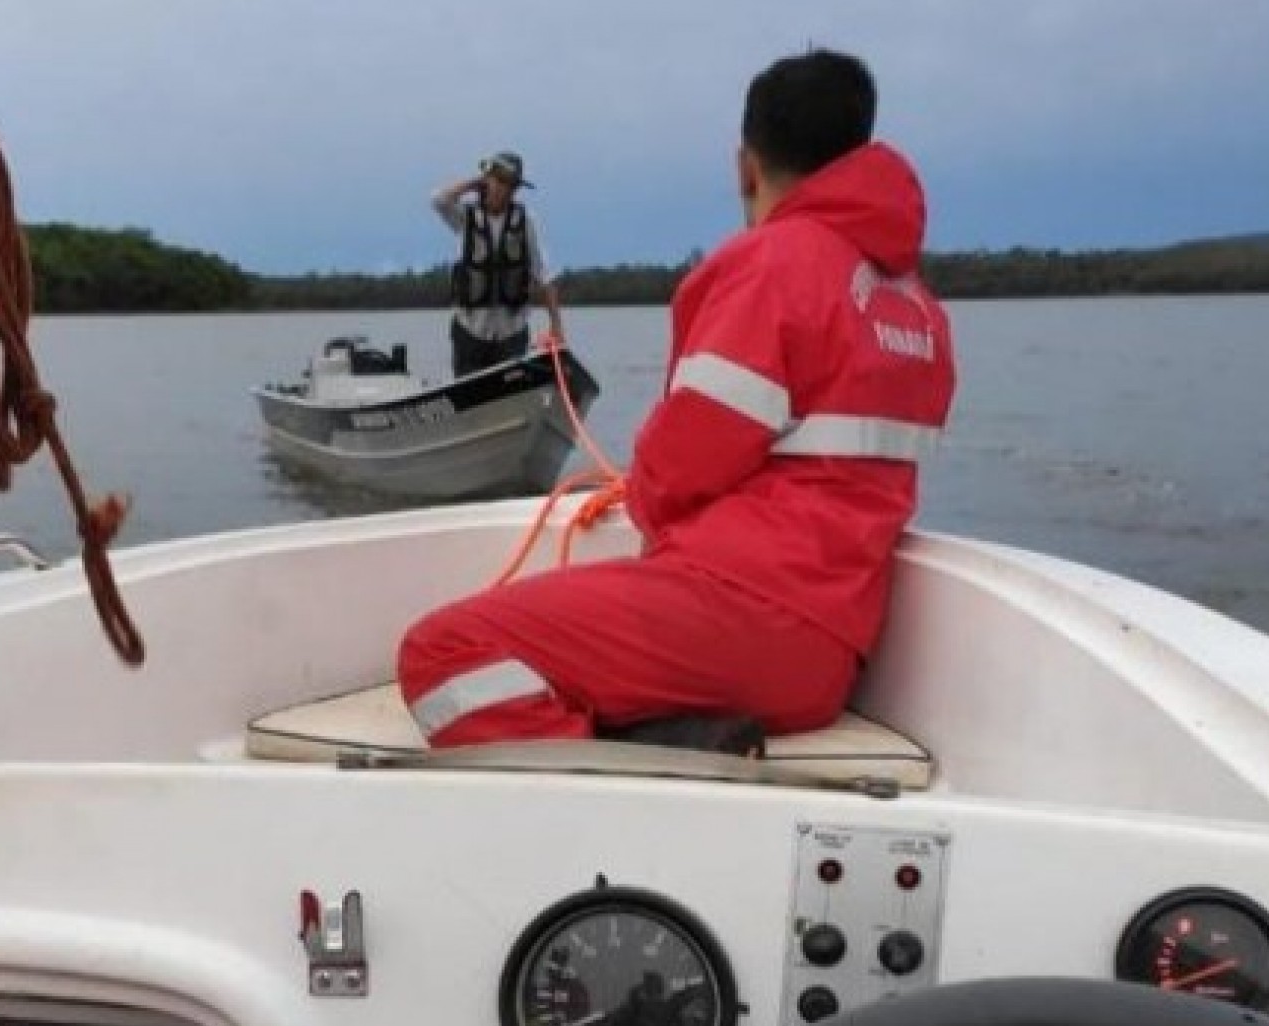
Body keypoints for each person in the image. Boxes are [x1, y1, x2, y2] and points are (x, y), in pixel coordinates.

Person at [397, 49, 956, 749]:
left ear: (745, 166)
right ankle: (675, 732)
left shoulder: (775, 268)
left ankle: (620, 766)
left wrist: (651, 509)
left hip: (739, 617)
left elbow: (679, 468)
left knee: (443, 651)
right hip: (830, 655)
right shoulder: (916, 309)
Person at [431, 150, 566, 377]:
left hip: (511, 333)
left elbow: (544, 274)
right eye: (499, 181)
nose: (504, 189)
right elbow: (438, 200)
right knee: (470, 394)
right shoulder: (466, 217)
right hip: (470, 330)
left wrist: (556, 326)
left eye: (511, 185)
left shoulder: (525, 221)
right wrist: (473, 184)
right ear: (488, 181)